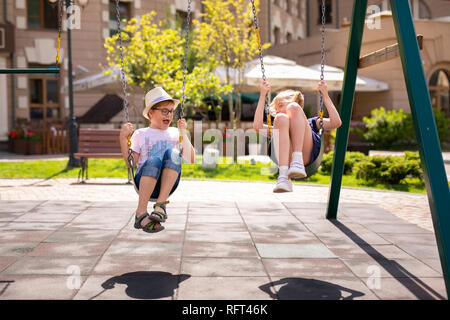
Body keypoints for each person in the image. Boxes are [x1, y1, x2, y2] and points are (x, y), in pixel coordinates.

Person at [120, 87, 195, 233]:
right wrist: (123, 138)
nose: (169, 115)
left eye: (171, 111)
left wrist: (183, 133)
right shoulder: (140, 134)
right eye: (164, 111)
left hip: (167, 184)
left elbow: (191, 159)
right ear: (151, 113)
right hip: (145, 183)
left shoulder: (175, 133)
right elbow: (131, 163)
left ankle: (161, 205)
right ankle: (140, 212)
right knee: (154, 159)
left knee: (173, 152)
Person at [253, 80, 342, 193]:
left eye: (280, 105)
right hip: (285, 159)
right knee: (280, 119)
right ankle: (283, 177)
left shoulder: (312, 123)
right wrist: (262, 95)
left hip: (307, 157)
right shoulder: (278, 125)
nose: (277, 111)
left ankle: (297, 160)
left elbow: (336, 123)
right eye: (276, 109)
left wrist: (325, 96)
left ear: (294, 101)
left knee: (291, 109)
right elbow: (257, 126)